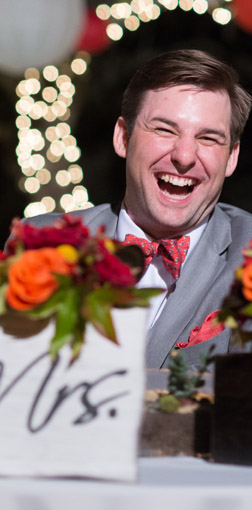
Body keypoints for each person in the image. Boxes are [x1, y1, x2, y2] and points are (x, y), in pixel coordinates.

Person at [27, 49, 252, 369]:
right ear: (123, 137)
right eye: (164, 129)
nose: (185, 156)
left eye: (208, 138)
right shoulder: (42, 244)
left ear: (231, 157)